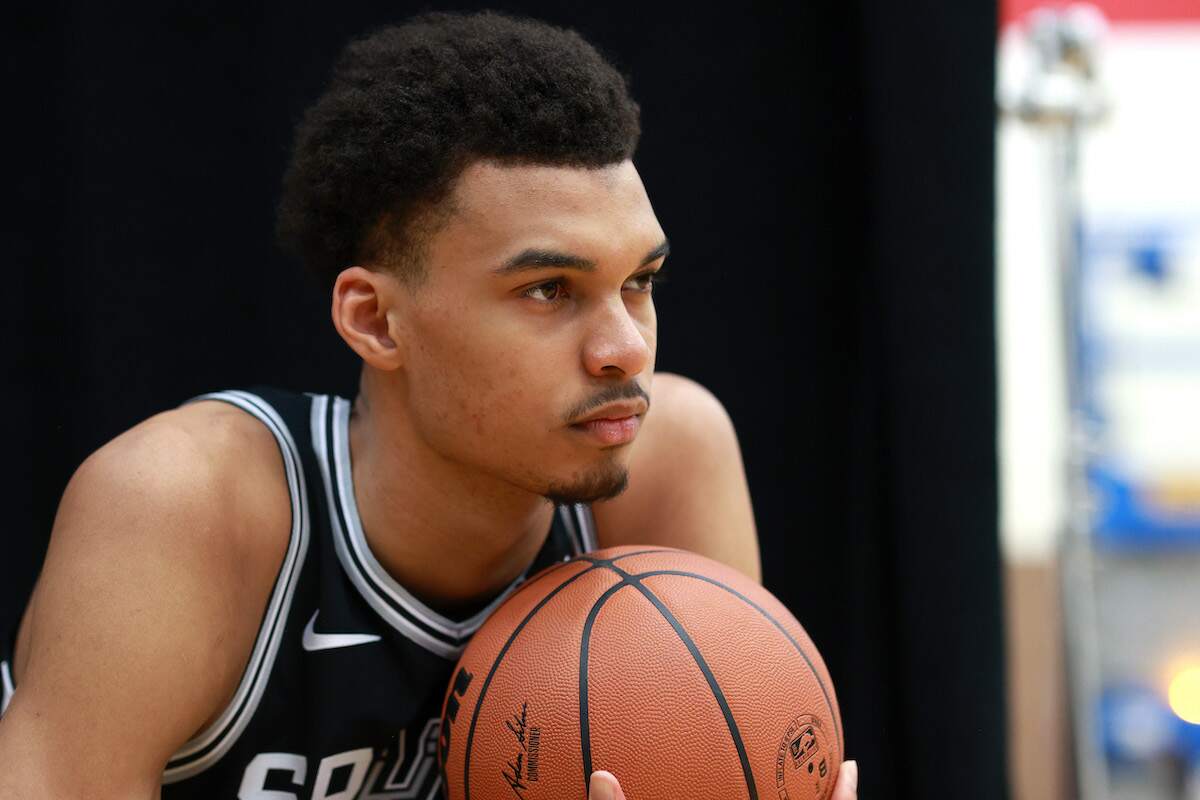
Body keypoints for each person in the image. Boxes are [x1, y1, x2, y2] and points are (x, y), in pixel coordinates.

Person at [0, 11, 857, 799]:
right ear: (375, 320)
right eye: (550, 290)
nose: (625, 347)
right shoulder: (185, 509)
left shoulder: (670, 464)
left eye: (640, 282)